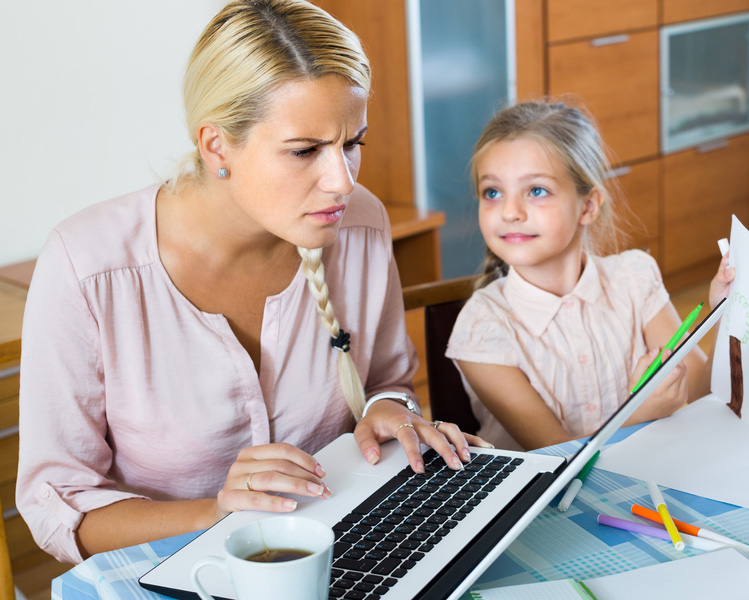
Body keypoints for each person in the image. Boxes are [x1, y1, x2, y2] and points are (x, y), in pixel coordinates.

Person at [16, 0, 485, 564]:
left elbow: (387, 379)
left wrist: (388, 408)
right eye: (305, 150)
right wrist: (215, 514)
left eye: (352, 143)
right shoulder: (87, 268)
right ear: (216, 145)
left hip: (343, 557)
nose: (341, 180)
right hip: (167, 570)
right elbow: (58, 507)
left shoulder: (361, 224)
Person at [445, 101, 734, 451]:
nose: (509, 212)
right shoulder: (482, 327)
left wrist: (723, 314)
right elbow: (554, 453)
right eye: (492, 192)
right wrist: (637, 413)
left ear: (588, 206)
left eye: (536, 190)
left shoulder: (633, 279)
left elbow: (701, 387)